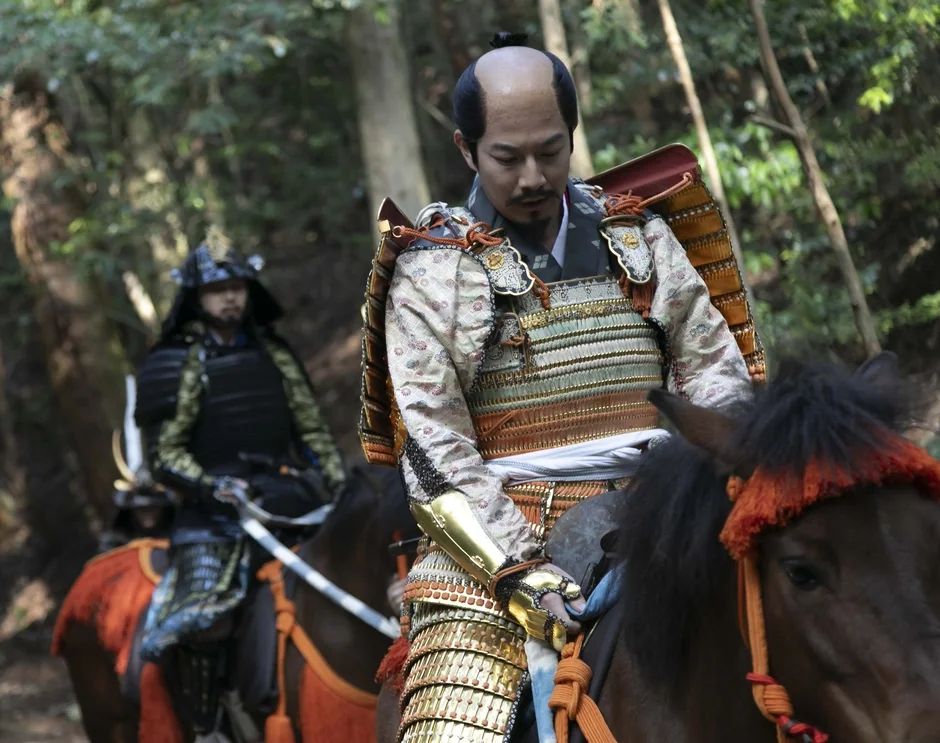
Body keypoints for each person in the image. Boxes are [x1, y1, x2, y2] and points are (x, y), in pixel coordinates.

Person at [369, 34, 754, 742]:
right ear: (465, 148)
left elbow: (715, 371)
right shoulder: (431, 271)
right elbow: (432, 445)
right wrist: (517, 569)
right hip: (498, 530)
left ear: (572, 134)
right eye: (506, 158)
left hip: (664, 503)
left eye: (550, 150)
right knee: (448, 730)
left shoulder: (640, 236)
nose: (532, 176)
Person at [136, 228, 346, 735]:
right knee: (204, 620)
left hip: (286, 500)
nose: (229, 297)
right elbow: (164, 452)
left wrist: (337, 486)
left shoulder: (275, 354)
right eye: (215, 289)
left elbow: (311, 428)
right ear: (196, 296)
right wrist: (213, 487)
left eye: (236, 286)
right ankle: (208, 726)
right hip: (213, 516)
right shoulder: (177, 360)